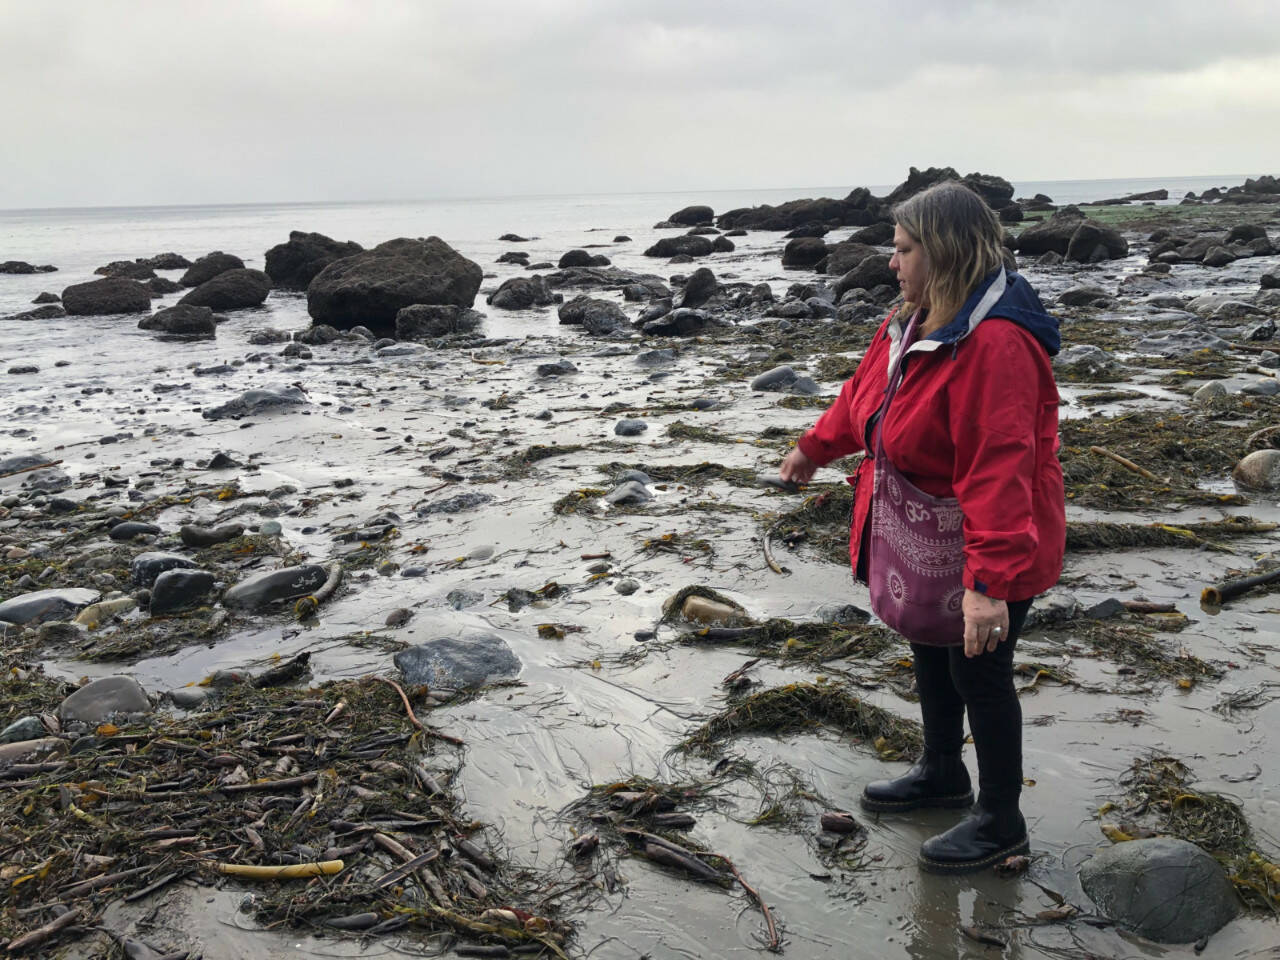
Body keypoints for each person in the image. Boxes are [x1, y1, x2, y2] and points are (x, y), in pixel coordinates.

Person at [779, 180, 1065, 873]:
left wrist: (989, 584)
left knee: (981, 672)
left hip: (991, 533)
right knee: (927, 646)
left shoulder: (995, 342)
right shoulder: (910, 320)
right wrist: (814, 448)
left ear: (943, 252)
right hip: (922, 527)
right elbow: (863, 402)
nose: (891, 262)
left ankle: (1001, 820)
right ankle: (942, 773)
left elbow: (1001, 465)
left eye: (904, 249)